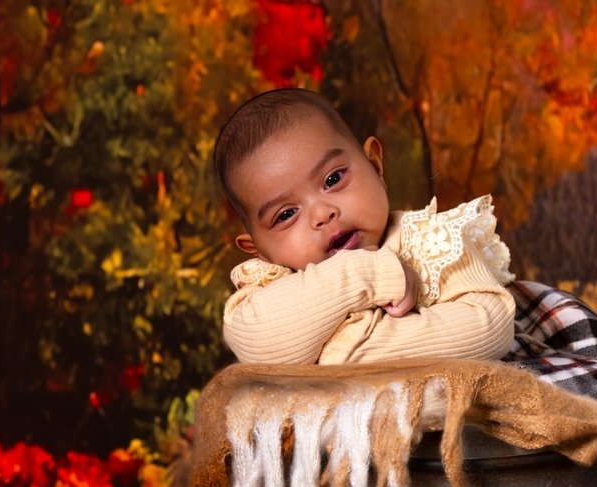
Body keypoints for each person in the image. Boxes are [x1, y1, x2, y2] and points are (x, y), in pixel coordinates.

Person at [213, 88, 516, 366]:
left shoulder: (431, 240)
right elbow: (258, 345)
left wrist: (346, 353)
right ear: (260, 251)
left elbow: (491, 327)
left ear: (375, 165)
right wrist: (369, 273)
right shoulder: (272, 285)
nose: (322, 213)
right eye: (286, 214)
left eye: (332, 180)